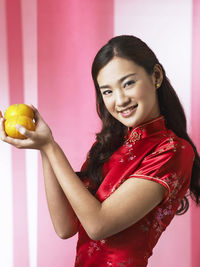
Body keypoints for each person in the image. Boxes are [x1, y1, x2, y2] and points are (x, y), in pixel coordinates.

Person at [0, 35, 200, 267]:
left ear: (155, 76)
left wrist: (51, 147)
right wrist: (45, 148)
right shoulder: (110, 146)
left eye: (128, 83)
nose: (120, 100)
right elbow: (65, 227)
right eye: (107, 91)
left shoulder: (173, 150)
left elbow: (98, 225)